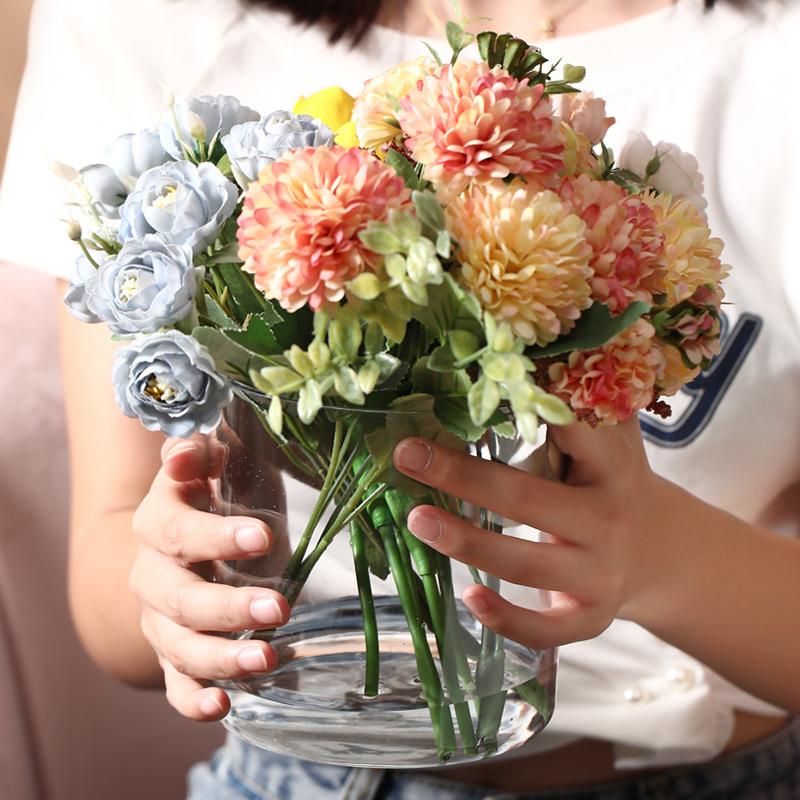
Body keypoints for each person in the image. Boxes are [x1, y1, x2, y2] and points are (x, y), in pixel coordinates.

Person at [2, 0, 799, 797]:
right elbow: (111, 583)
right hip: (291, 765)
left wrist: (663, 558)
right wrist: (180, 594)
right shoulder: (143, 19)